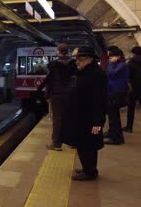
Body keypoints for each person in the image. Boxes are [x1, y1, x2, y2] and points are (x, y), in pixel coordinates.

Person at [61, 47, 107, 181]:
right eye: (76, 60)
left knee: (88, 146)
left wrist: (97, 122)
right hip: (82, 117)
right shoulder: (84, 72)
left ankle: (90, 172)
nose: (77, 62)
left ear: (89, 59)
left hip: (89, 118)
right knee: (82, 144)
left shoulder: (96, 75)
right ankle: (87, 168)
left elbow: (100, 100)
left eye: (80, 60)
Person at [38, 43, 76, 151]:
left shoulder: (53, 64)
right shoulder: (74, 64)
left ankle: (57, 144)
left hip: (57, 94)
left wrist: (47, 96)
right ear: (67, 51)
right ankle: (73, 142)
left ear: (58, 52)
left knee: (57, 119)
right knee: (71, 117)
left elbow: (49, 82)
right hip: (70, 94)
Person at [104, 48, 128, 145]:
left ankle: (116, 138)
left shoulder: (122, 65)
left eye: (111, 56)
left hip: (116, 92)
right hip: (111, 91)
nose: (110, 58)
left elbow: (111, 73)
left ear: (118, 56)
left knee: (114, 116)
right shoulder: (118, 64)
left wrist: (111, 64)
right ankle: (112, 133)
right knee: (112, 115)